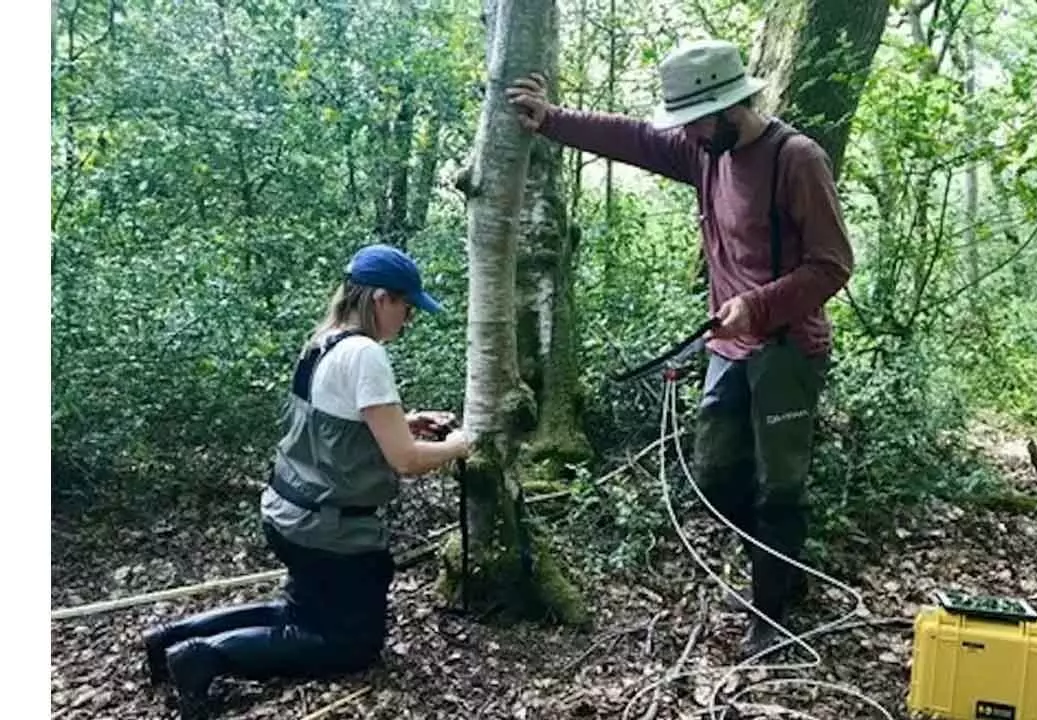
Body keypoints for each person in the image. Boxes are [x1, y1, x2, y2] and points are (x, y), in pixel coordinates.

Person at [506, 39, 854, 658]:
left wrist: (758, 305)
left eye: (695, 119)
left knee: (779, 488)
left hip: (787, 351)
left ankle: (770, 614)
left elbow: (833, 265)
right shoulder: (705, 152)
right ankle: (781, 570)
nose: (686, 133)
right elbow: (634, 138)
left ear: (729, 108)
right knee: (717, 477)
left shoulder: (795, 159)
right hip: (730, 351)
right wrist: (552, 120)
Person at [140, 244, 471, 720]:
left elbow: (339, 427)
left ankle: (168, 639)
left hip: (288, 512)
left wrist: (407, 418)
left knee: (303, 612)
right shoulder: (366, 354)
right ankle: (206, 658)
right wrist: (461, 445)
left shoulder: (325, 341)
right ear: (380, 298)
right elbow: (405, 460)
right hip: (327, 531)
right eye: (406, 305)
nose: (409, 318)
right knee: (351, 644)